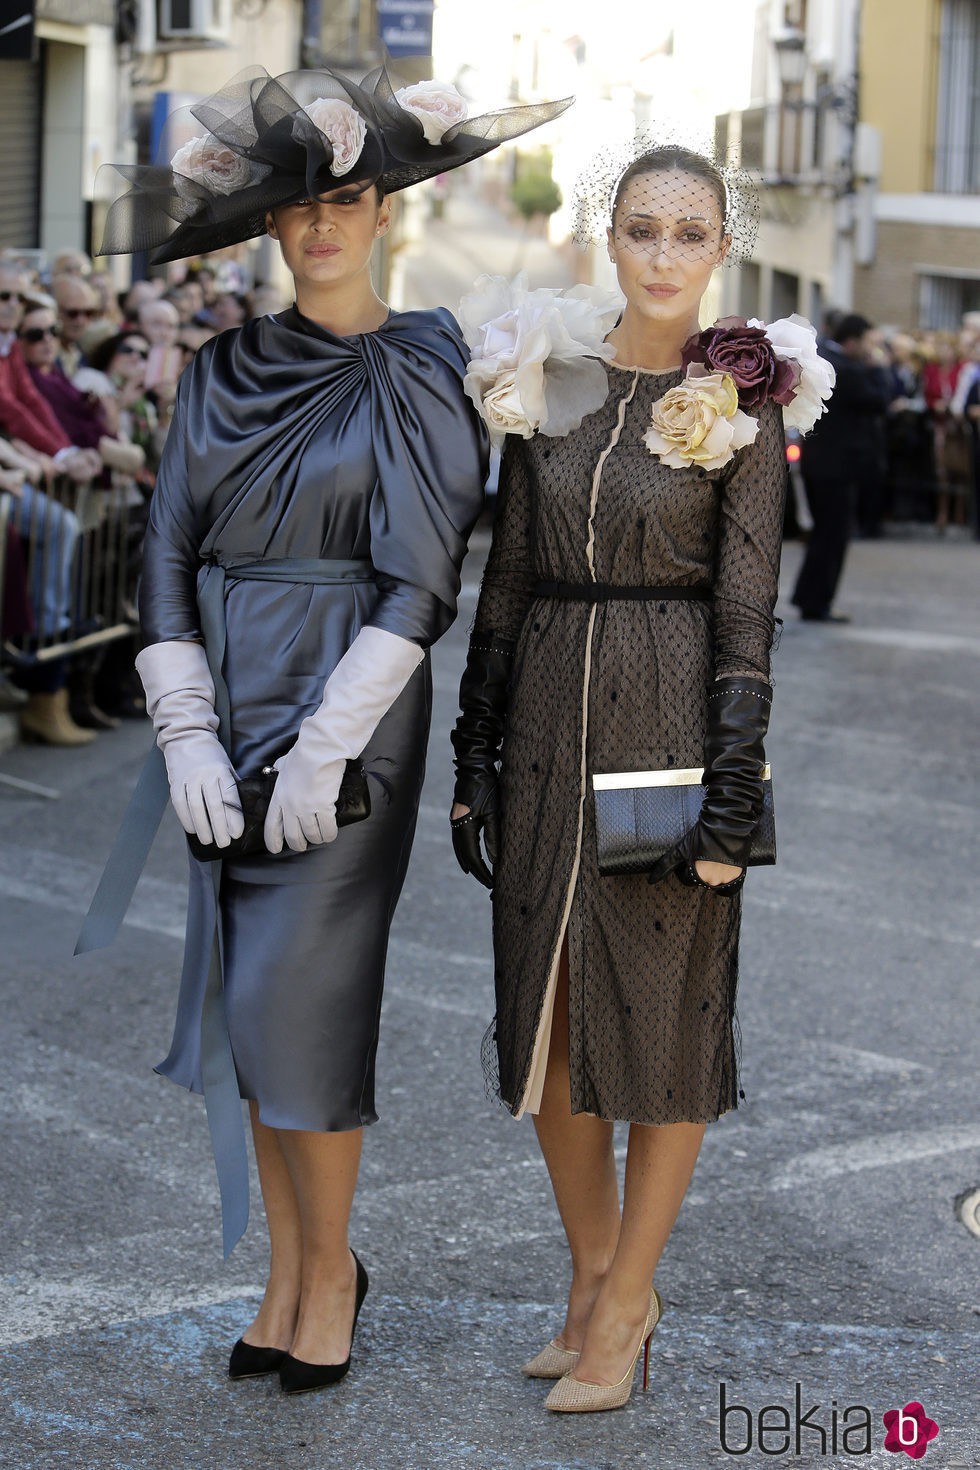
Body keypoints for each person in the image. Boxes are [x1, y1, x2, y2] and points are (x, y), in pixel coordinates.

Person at [88, 64, 569, 1394]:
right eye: (300, 204)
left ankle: (332, 1267)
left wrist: (326, 742)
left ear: (386, 211)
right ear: (268, 222)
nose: (320, 227)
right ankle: (289, 1274)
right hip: (223, 688)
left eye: (346, 198)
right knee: (250, 1003)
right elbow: (168, 547)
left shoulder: (425, 361)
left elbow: (424, 582)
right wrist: (183, 724)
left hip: (350, 702)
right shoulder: (221, 361)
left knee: (308, 994)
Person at [451, 143, 831, 1413]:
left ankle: (626, 1307)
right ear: (603, 239)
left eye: (688, 233)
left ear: (719, 249)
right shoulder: (544, 377)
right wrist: (471, 745)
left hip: (669, 720)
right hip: (548, 716)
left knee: (662, 1020)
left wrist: (733, 784)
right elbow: (503, 576)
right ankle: (592, 1278)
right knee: (549, 1019)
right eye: (640, 229)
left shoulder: (746, 400)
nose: (662, 255)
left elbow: (744, 610)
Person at [791, 313, 891, 622]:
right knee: (832, 535)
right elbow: (880, 400)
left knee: (825, 534)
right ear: (854, 340)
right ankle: (816, 602)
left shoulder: (827, 357)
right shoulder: (846, 368)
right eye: (867, 343)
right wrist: (879, 369)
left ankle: (809, 597)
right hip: (836, 468)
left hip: (822, 464)